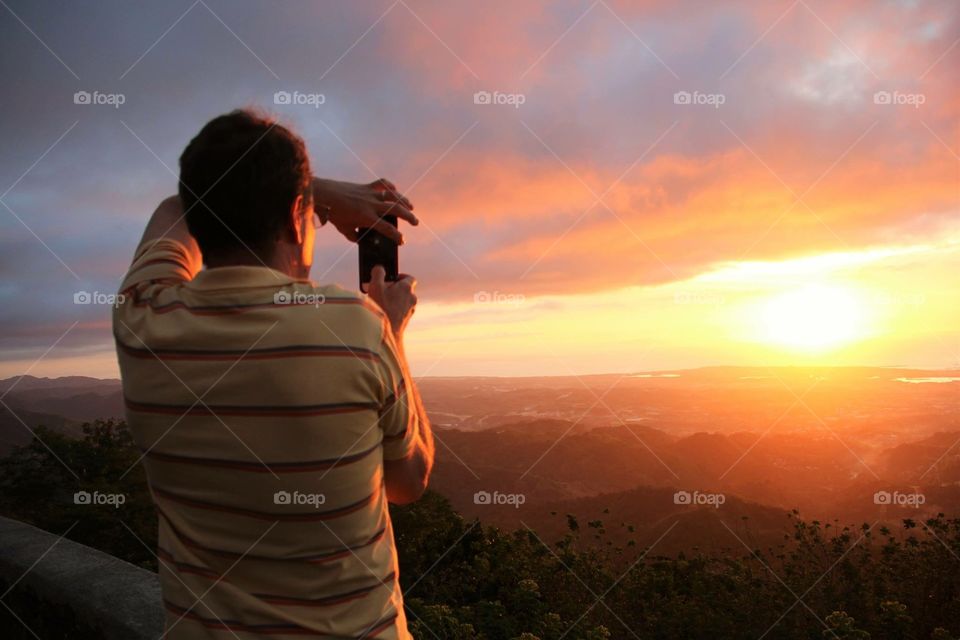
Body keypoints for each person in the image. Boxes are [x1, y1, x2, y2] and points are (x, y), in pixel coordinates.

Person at [112, 109, 434, 639]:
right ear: (293, 218)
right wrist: (394, 333)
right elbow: (409, 480)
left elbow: (175, 207)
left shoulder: (143, 314)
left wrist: (312, 193)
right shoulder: (355, 325)